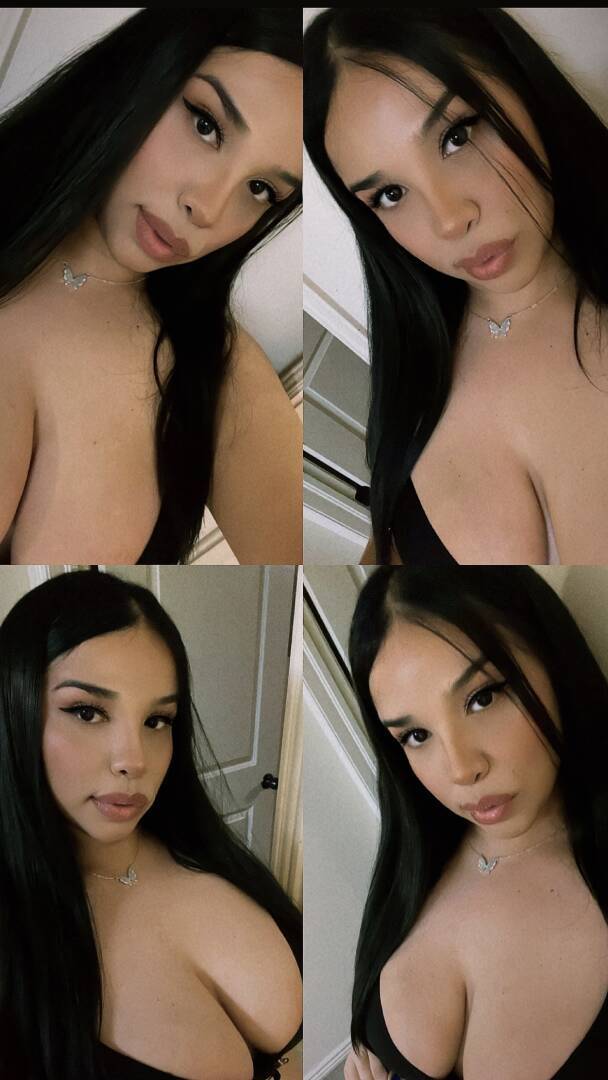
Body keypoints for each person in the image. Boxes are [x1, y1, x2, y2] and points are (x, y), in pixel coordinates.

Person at [304, 9, 608, 565]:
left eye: (456, 136)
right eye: (391, 194)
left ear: (520, 80)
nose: (449, 220)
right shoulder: (414, 374)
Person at [0, 9, 303, 564]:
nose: (206, 207)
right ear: (146, 71)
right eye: (206, 125)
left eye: (260, 188)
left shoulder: (220, 377)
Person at [0, 569, 302, 1080]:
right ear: (15, 708)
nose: (134, 760)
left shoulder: (202, 850)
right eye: (87, 712)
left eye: (156, 720)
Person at [343, 566, 608, 1079]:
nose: (462, 770)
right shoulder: (414, 859)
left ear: (552, 660)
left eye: (482, 698)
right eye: (416, 736)